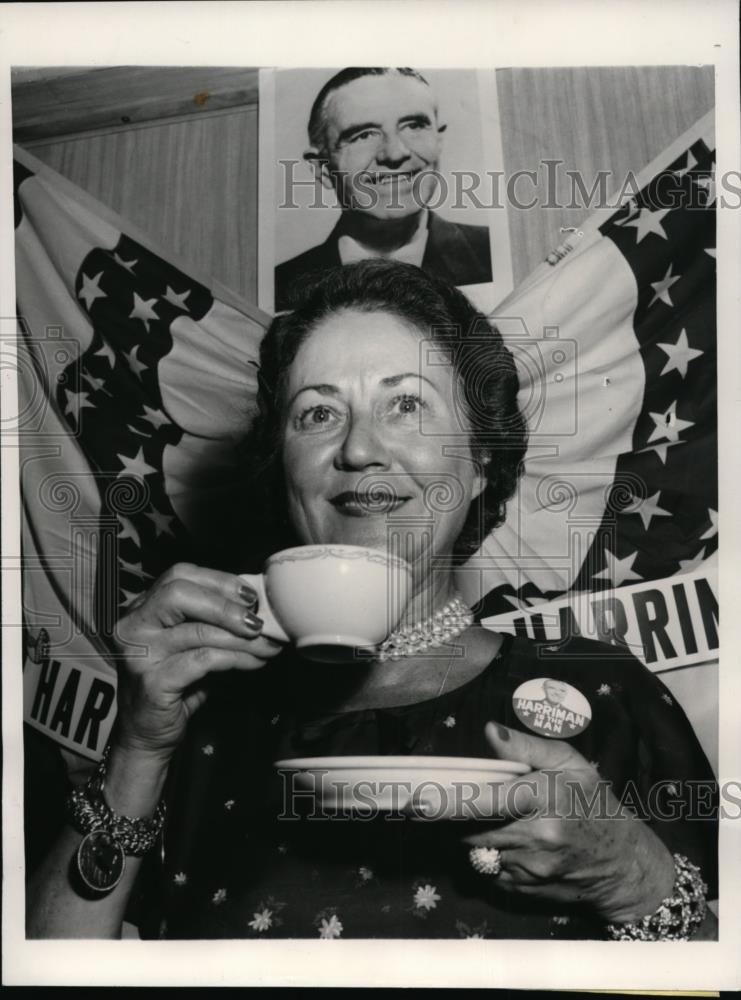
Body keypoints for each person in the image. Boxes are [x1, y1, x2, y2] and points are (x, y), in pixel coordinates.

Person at [26, 260, 717, 940]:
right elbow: (52, 970)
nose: (357, 448)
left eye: (406, 404)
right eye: (318, 412)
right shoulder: (203, 715)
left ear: (479, 460)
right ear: (283, 466)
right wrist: (138, 750)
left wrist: (635, 881)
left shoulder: (604, 694)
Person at [274, 68, 493, 312]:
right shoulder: (283, 288)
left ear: (438, 140)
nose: (395, 153)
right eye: (363, 135)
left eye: (413, 126)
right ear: (322, 168)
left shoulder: (491, 254)